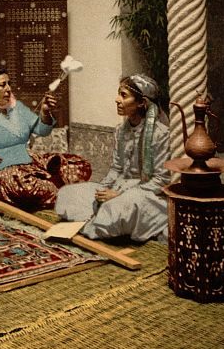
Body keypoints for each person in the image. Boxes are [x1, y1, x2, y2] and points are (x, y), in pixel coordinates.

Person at [55, 73, 171, 242]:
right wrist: (101, 190)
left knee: (117, 209)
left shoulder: (160, 134)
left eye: (123, 95)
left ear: (141, 103)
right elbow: (117, 168)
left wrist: (119, 194)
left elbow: (161, 180)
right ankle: (99, 222)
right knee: (68, 194)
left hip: (146, 196)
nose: (117, 99)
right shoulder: (120, 131)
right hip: (118, 188)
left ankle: (98, 223)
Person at [0, 66, 91, 209]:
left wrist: (45, 112)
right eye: (2, 85)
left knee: (78, 166)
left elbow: (42, 130)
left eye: (9, 83)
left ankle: (60, 190)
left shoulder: (17, 108)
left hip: (27, 161)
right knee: (40, 189)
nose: (8, 89)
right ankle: (61, 193)